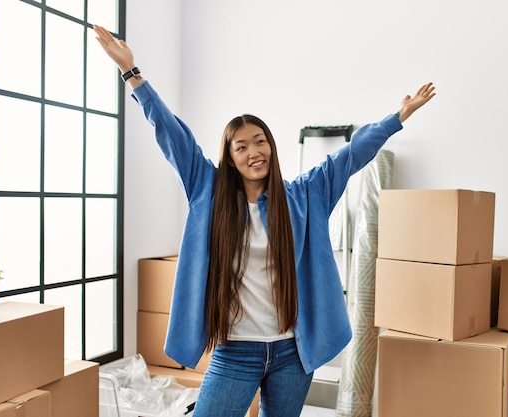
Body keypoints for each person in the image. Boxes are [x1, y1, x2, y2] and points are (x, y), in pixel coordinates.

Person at [94, 25, 435, 417]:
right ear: (229, 156)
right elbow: (172, 134)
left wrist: (397, 117)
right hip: (234, 352)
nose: (254, 151)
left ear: (271, 145)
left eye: (261, 141)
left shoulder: (305, 194)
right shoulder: (208, 190)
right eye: (242, 146)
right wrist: (132, 73)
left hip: (292, 353)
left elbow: (351, 155)